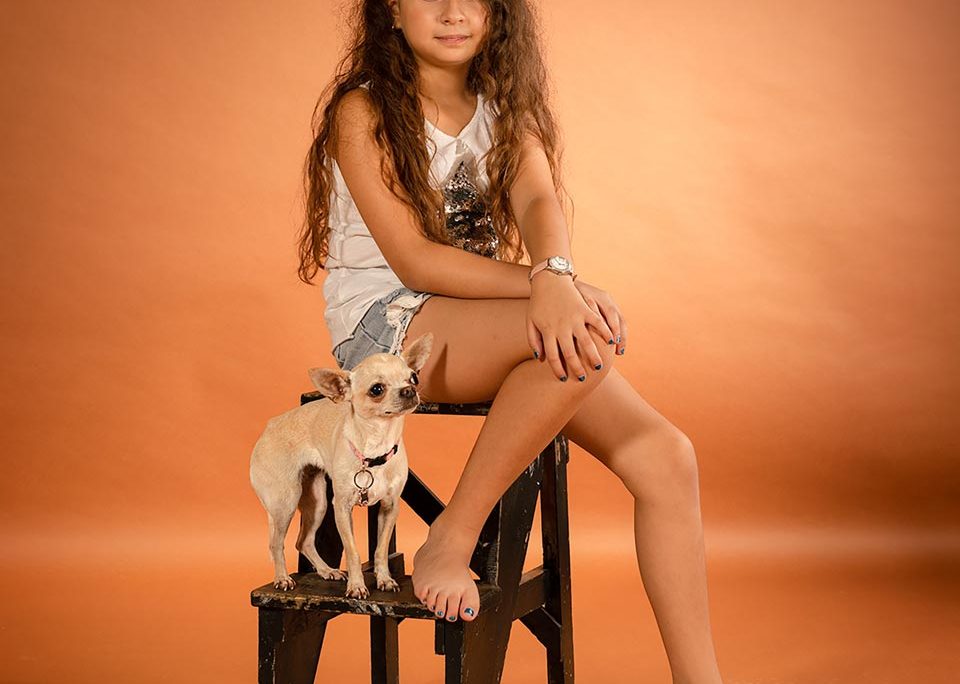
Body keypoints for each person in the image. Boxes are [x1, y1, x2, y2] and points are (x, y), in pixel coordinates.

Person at [297, 1, 724, 682]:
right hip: (388, 322)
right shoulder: (364, 111)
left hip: (480, 315)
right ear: (391, 11)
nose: (452, 11)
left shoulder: (504, 104)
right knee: (579, 335)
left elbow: (538, 203)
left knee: (668, 457)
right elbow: (414, 261)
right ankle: (451, 538)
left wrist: (556, 277)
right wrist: (545, 288)